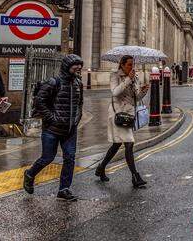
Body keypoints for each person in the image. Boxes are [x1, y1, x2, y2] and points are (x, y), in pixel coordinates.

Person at [23, 54, 84, 201]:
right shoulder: (53, 82)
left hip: (70, 129)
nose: (78, 68)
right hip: (52, 129)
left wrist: (77, 118)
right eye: (75, 65)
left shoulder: (78, 83)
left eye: (79, 65)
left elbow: (80, 103)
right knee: (47, 158)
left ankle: (64, 189)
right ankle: (30, 174)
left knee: (69, 158)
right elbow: (39, 101)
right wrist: (52, 118)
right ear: (67, 66)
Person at [95, 55, 149, 188]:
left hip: (128, 115)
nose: (132, 67)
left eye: (133, 64)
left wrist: (143, 92)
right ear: (122, 65)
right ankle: (135, 177)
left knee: (117, 145)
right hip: (117, 114)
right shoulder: (115, 75)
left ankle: (101, 168)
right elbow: (115, 92)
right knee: (129, 143)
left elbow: (136, 98)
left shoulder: (135, 77)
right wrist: (128, 80)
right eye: (129, 64)